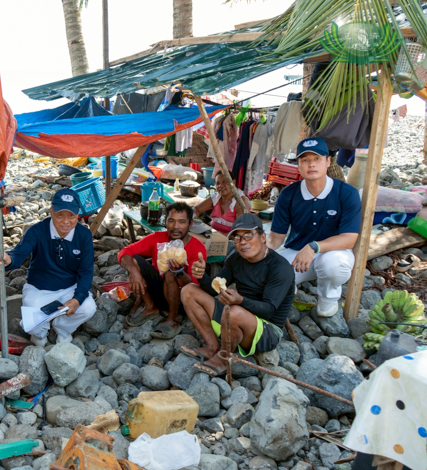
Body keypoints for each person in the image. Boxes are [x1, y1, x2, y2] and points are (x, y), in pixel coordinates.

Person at [180, 213, 296, 376]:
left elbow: (269, 309)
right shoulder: (235, 259)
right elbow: (215, 288)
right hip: (236, 317)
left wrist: (240, 300)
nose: (243, 242)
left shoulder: (280, 268)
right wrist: (201, 277)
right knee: (189, 291)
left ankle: (223, 357)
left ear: (263, 237)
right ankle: (212, 347)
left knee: (233, 311)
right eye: (237, 238)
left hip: (266, 330)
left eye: (248, 235)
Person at [268, 137, 361, 317]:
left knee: (334, 265)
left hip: (334, 252)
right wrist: (259, 250)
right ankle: (289, 286)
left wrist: (314, 246)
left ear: (328, 161)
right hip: (298, 254)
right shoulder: (288, 194)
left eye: (317, 158)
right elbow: (276, 236)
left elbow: (349, 238)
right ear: (299, 165)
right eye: (305, 160)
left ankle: (328, 298)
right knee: (268, 275)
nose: (311, 164)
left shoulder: (346, 193)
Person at [0, 189, 96, 346]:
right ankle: (41, 334)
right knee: (35, 331)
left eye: (71, 215)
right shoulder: (37, 230)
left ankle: (62, 329)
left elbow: (86, 271)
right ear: (51, 212)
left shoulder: (84, 235)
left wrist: (76, 300)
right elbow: (18, 254)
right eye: (60, 214)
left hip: (69, 287)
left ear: (78, 215)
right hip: (39, 289)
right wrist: (8, 259)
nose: (66, 221)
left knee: (88, 307)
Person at [117, 202, 206, 336]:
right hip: (159, 291)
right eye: (171, 221)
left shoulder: (197, 247)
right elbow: (124, 252)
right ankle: (150, 307)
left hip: (182, 300)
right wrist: (133, 271)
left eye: (182, 222)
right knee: (135, 259)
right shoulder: (157, 238)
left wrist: (179, 272)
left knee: (170, 272)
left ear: (190, 224)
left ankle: (173, 318)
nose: (176, 227)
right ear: (165, 221)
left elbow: (193, 287)